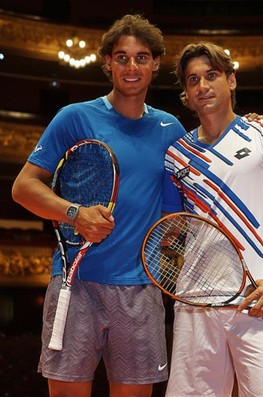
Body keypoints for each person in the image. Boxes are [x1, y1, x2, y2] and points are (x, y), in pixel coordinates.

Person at [11, 14, 187, 397]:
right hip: (76, 284)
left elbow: (174, 208)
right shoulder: (74, 117)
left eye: (141, 57)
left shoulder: (171, 129)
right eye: (121, 57)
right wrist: (75, 213)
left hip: (141, 290)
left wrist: (251, 124)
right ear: (106, 61)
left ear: (156, 63)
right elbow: (23, 187)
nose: (131, 66)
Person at [162, 41, 263, 397]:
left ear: (231, 80)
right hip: (195, 307)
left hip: (259, 300)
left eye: (211, 76)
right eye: (193, 80)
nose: (202, 86)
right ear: (187, 94)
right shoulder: (176, 156)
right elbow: (171, 232)